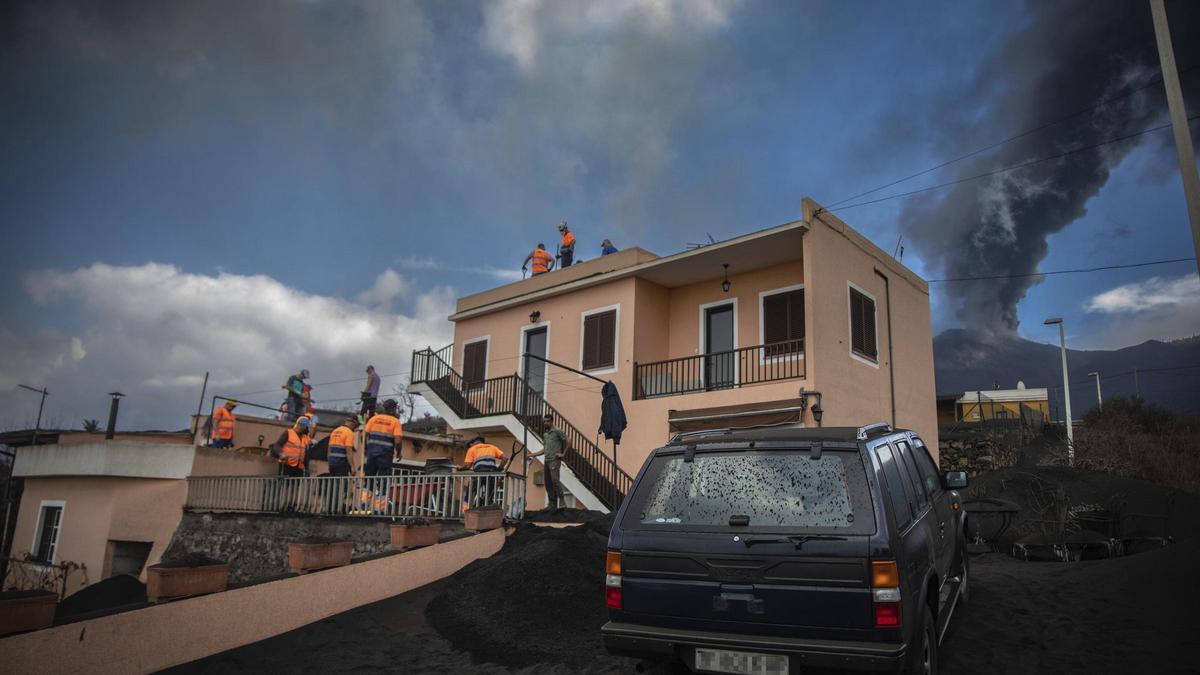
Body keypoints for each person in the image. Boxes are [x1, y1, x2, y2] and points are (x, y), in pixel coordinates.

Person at [529, 414, 566, 508]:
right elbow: (544, 449)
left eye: (548, 421)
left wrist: (563, 453)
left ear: (552, 421)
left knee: (555, 480)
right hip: (547, 460)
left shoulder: (557, 431)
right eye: (544, 421)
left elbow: (568, 441)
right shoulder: (545, 434)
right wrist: (532, 455)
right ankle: (552, 503)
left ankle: (562, 501)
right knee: (547, 482)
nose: (546, 423)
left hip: (554, 460)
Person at [461, 436, 505, 509]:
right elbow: (505, 459)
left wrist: (460, 468)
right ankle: (487, 512)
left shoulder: (472, 449)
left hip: (479, 474)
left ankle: (465, 512)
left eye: (470, 445)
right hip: (491, 475)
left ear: (475, 442)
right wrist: (498, 470)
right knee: (489, 496)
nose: (470, 446)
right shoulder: (492, 447)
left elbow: (467, 466)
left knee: (470, 494)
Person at [362, 399, 402, 477]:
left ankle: (368, 489)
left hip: (371, 453)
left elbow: (363, 436)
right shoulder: (395, 421)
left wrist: (365, 449)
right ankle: (382, 489)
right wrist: (399, 452)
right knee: (384, 478)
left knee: (369, 476)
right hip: (385, 454)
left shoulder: (373, 419)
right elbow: (398, 441)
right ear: (393, 409)